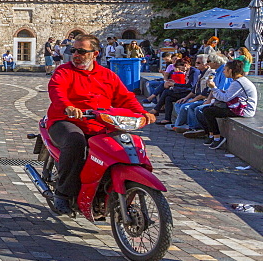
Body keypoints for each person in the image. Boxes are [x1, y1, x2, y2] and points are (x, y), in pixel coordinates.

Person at [46, 34, 154, 215]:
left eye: (81, 51)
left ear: (95, 53)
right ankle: (63, 193)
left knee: (121, 144)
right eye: (74, 50)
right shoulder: (63, 71)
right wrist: (68, 107)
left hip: (99, 123)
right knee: (76, 142)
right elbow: (57, 91)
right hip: (65, 121)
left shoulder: (107, 75)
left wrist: (143, 112)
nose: (76, 55)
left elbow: (124, 97)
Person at [197, 59, 258, 150]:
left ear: (231, 71)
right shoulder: (238, 81)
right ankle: (211, 135)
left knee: (209, 111)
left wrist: (214, 88)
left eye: (225, 69)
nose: (223, 71)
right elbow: (227, 95)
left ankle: (217, 137)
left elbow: (225, 98)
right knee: (208, 108)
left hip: (244, 110)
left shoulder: (238, 82)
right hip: (238, 106)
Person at [170, 54, 221, 132]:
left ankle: (191, 127)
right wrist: (186, 98)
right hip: (197, 97)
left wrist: (193, 100)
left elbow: (206, 91)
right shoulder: (200, 73)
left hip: (204, 99)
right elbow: (194, 90)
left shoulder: (211, 73)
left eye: (198, 63)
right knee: (178, 103)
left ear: (205, 64)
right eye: (196, 63)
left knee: (188, 106)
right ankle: (182, 124)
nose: (196, 65)